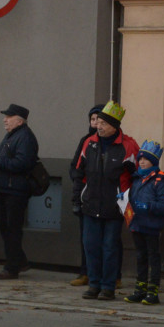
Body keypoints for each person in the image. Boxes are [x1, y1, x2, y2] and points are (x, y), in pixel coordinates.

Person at [72, 100, 138, 301]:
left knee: (110, 247)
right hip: (90, 203)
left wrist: (129, 202)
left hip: (115, 207)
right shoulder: (89, 143)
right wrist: (77, 198)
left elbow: (137, 176)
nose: (98, 126)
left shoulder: (128, 146)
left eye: (103, 123)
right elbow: (79, 172)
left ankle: (108, 286)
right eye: (97, 122)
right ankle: (94, 284)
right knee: (91, 246)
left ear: (114, 126)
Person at [0, 103, 39, 280]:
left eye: (8, 117)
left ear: (19, 120)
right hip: (6, 188)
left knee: (12, 229)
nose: (4, 120)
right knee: (5, 227)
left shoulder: (25, 137)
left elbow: (22, 164)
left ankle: (12, 267)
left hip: (15, 191)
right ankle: (19, 260)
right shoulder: (14, 135)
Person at [124, 141, 164, 305]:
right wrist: (124, 200)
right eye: (140, 159)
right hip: (137, 224)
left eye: (145, 159)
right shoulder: (137, 178)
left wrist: (148, 206)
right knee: (140, 257)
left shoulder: (160, 180)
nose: (142, 162)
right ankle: (140, 289)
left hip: (151, 226)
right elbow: (133, 198)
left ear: (154, 161)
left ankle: (153, 291)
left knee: (153, 257)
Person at [68, 104, 103, 287]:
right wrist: (78, 180)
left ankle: (112, 275)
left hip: (104, 197)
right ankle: (86, 272)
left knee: (107, 241)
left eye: (99, 119)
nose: (96, 123)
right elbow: (75, 166)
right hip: (85, 194)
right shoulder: (86, 140)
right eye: (92, 119)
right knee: (86, 238)